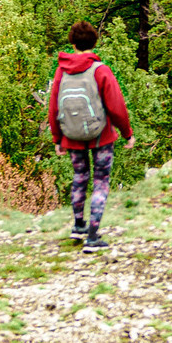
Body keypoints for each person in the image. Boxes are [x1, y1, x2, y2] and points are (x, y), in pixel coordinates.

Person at [47, 22, 132, 251]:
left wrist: (57, 138)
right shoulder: (100, 70)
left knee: (79, 178)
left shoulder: (61, 70)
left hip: (72, 135)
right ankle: (93, 237)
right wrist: (127, 134)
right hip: (100, 135)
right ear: (95, 42)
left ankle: (78, 226)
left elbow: (54, 105)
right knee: (100, 182)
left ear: (72, 43)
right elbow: (116, 106)